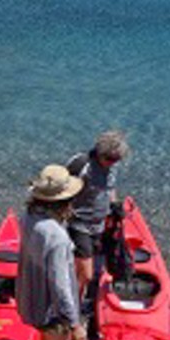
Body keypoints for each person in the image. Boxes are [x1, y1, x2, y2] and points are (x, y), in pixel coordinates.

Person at [16, 164, 87, 340]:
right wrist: (75, 323)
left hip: (31, 298)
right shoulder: (56, 237)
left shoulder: (28, 217)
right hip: (53, 308)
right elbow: (61, 285)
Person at [66, 130, 130, 306]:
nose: (113, 163)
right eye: (110, 159)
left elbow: (110, 189)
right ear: (100, 153)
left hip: (100, 224)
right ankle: (72, 308)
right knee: (86, 273)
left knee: (91, 270)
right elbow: (64, 190)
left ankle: (79, 298)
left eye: (116, 160)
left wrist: (115, 205)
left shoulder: (111, 166)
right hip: (79, 224)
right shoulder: (81, 165)